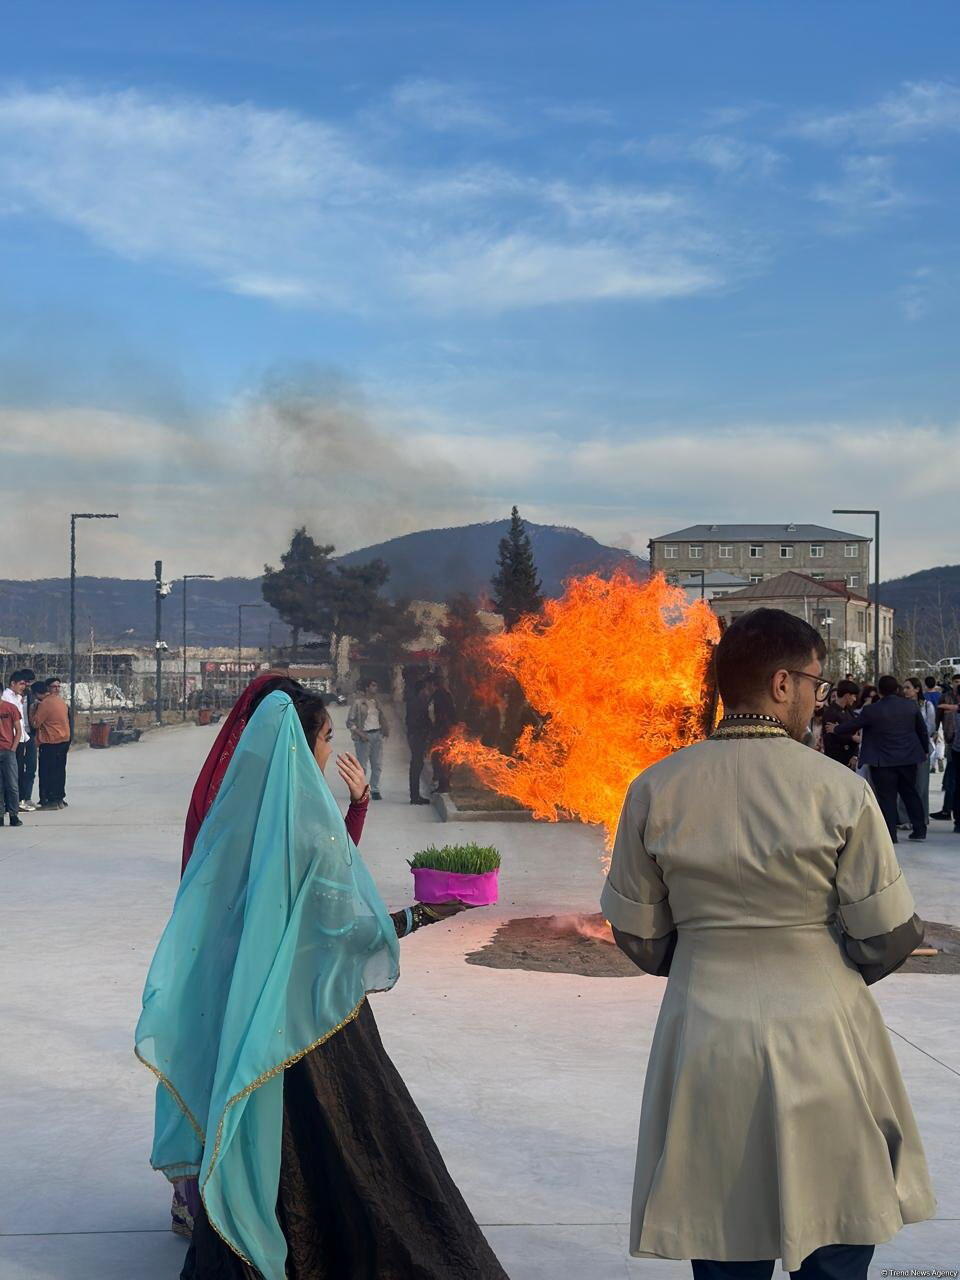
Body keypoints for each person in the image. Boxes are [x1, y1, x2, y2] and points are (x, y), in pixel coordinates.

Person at [137, 678, 509, 1280]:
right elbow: (337, 930)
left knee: (270, 1148)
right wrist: (425, 913)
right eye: (327, 737)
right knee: (355, 1161)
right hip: (313, 1021)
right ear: (300, 745)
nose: (332, 749)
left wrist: (354, 810)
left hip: (255, 1016)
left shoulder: (240, 823)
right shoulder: (310, 829)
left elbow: (291, 908)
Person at [602, 608, 934, 1280]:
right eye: (816, 679)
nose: (819, 694)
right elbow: (890, 933)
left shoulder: (654, 788)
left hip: (704, 1024)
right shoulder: (839, 790)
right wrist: (825, 965)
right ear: (782, 684)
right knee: (836, 1220)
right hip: (822, 1026)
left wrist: (698, 957)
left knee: (723, 1226)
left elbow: (636, 932)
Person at [832, 675, 929, 842]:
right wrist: (925, 750)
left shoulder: (872, 710)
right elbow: (922, 730)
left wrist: (836, 729)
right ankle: (919, 830)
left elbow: (853, 725)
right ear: (897, 689)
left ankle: (891, 834)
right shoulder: (910, 706)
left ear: (879, 691)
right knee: (910, 793)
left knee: (887, 798)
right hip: (907, 758)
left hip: (882, 761)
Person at [346, 677, 389, 800]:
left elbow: (382, 718)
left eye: (376, 685)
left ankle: (374, 789)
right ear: (367, 687)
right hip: (363, 736)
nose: (375, 688)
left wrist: (384, 730)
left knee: (377, 764)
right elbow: (350, 722)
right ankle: (360, 790)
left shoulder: (377, 702)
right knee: (362, 766)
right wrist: (360, 734)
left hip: (377, 735)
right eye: (373, 685)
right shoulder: (358, 703)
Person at [33, 677, 71, 809]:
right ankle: (60, 798)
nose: (57, 689)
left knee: (48, 772)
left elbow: (35, 723)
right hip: (63, 740)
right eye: (54, 686)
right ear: (48, 688)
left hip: (51, 741)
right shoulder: (61, 702)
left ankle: (50, 800)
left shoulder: (45, 704)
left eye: (58, 687)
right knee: (59, 771)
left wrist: (33, 709)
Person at [902, 677, 936, 825]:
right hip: (904, 747)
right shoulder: (901, 706)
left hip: (921, 747)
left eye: (908, 687)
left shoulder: (927, 706)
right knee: (905, 783)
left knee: (921, 784)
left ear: (917, 689)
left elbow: (930, 727)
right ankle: (904, 818)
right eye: (904, 688)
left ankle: (921, 817)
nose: (905, 691)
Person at [2, 671, 36, 813]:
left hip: (21, 738)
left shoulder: (18, 697)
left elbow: (20, 722)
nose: (24, 686)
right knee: (11, 774)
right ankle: (11, 804)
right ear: (12, 684)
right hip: (11, 741)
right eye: (21, 683)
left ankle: (19, 801)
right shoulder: (7, 698)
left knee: (20, 771)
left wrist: (26, 739)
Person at [427, 670, 458, 794]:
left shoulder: (438, 696)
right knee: (444, 758)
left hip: (441, 732)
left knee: (440, 758)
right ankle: (445, 784)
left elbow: (435, 714)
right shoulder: (446, 694)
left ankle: (443, 785)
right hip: (446, 731)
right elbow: (453, 714)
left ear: (433, 684)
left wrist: (436, 729)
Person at [405, 675, 433, 805]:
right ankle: (415, 797)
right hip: (417, 736)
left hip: (414, 735)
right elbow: (421, 720)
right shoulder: (419, 702)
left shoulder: (413, 701)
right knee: (417, 764)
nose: (427, 691)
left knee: (417, 764)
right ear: (422, 690)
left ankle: (415, 795)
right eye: (426, 689)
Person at [819, 678, 859, 768]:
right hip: (837, 762)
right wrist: (851, 737)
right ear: (847, 695)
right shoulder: (831, 713)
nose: (855, 699)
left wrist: (854, 755)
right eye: (854, 696)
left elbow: (856, 732)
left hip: (850, 760)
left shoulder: (849, 711)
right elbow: (830, 738)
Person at [0, 689, 22, 825]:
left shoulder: (10, 708)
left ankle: (14, 815)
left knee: (12, 785)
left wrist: (13, 748)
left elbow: (18, 730)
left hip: (8, 751)